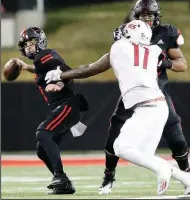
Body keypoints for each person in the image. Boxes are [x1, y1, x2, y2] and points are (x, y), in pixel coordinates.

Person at [45, 20, 190, 196]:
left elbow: (90, 69)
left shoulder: (119, 48)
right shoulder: (155, 51)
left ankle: (162, 169)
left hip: (146, 108)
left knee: (120, 147)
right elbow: (177, 63)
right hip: (159, 106)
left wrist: (61, 75)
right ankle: (187, 180)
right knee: (144, 156)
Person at [14, 27, 89, 194]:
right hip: (66, 106)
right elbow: (46, 69)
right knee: (41, 149)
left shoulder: (44, 56)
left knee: (42, 132)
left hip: (68, 104)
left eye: (31, 43)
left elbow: (62, 68)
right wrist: (27, 67)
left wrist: (60, 82)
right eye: (25, 45)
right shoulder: (40, 61)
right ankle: (64, 184)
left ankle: (60, 177)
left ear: (39, 42)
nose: (28, 47)